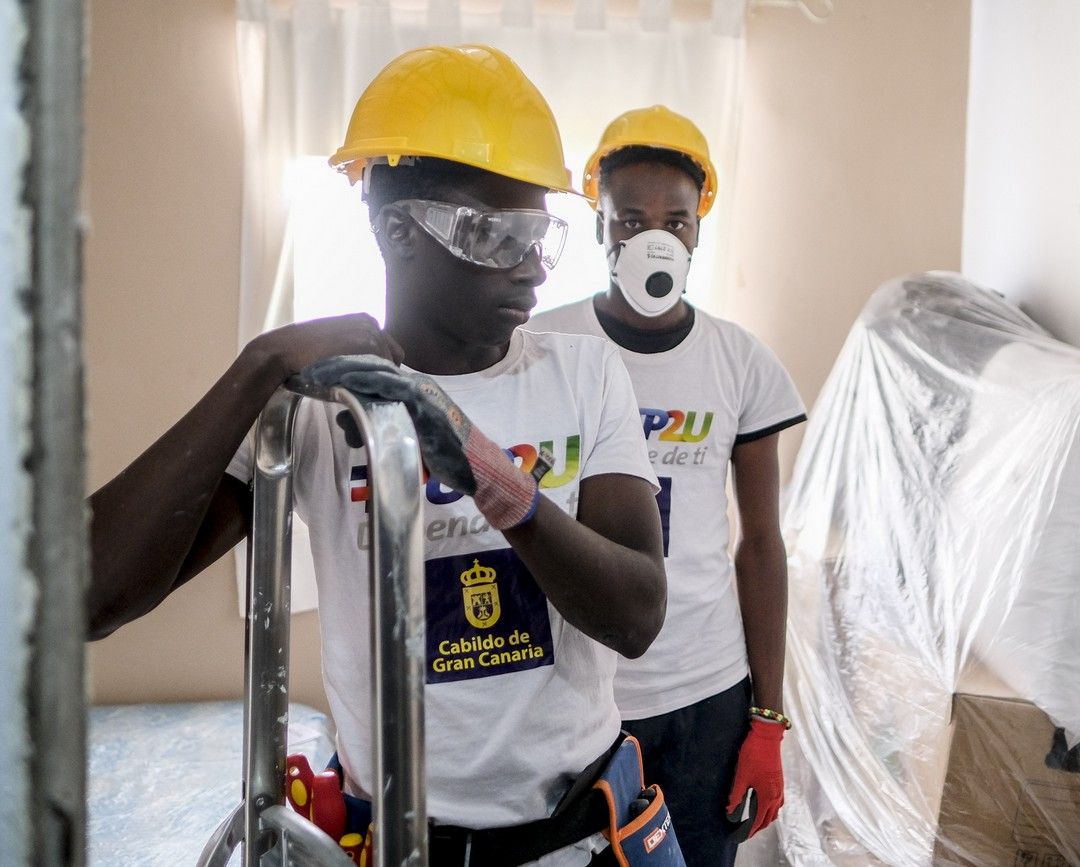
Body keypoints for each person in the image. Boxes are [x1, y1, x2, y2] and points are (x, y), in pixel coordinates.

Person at [87, 45, 668, 865]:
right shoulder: (323, 413)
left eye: (539, 234)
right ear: (396, 230)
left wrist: (482, 468)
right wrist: (257, 368)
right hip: (401, 842)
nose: (531, 268)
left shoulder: (583, 373)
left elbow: (637, 613)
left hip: (580, 836)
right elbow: (91, 591)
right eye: (492, 233)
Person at [529, 105, 806, 865]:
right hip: (572, 699)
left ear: (697, 230)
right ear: (598, 227)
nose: (654, 238)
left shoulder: (740, 362)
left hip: (702, 701)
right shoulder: (543, 348)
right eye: (629, 219)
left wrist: (767, 718)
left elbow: (761, 545)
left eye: (677, 220)